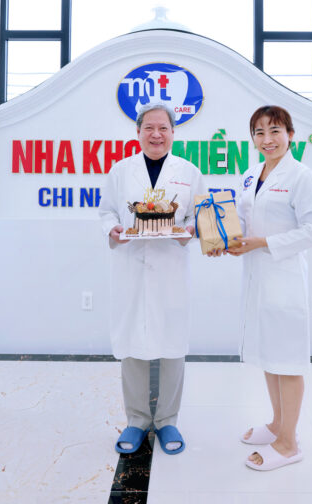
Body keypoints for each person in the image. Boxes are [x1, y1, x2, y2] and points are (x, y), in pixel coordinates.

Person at [208, 105, 312, 471]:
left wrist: (263, 243)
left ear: (290, 135)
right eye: (259, 132)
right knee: (270, 356)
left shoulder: (302, 176)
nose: (267, 139)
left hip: (284, 279)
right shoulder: (250, 175)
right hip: (256, 279)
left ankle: (289, 443)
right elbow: (244, 222)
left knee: (287, 360)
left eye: (275, 131)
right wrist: (226, 240)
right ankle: (277, 424)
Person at [99, 103, 205, 456]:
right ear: (138, 132)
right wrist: (112, 228)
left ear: (173, 132)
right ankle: (136, 420)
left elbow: (200, 216)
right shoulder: (120, 171)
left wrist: (190, 230)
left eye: (163, 128)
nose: (156, 134)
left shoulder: (189, 172)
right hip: (131, 266)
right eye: (149, 128)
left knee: (173, 345)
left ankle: (168, 419)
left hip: (171, 267)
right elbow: (107, 211)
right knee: (133, 345)